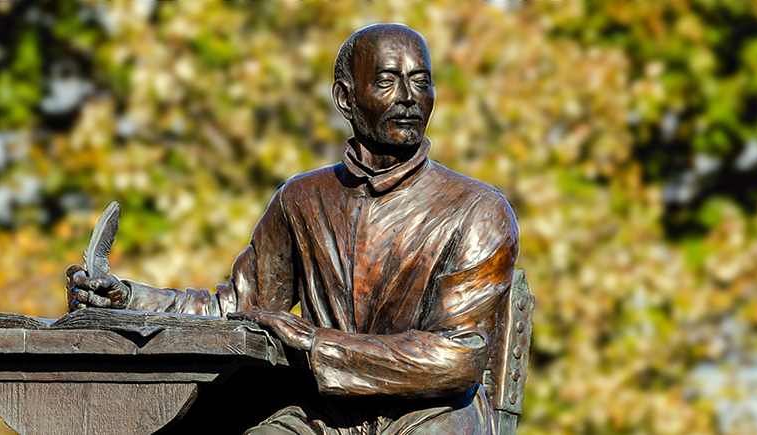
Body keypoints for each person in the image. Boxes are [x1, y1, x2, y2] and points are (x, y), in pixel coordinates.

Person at [67, 23, 518, 435]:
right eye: (387, 81)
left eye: (421, 80)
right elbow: (236, 307)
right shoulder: (302, 199)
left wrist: (318, 341)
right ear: (345, 97)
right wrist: (128, 299)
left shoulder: (477, 208)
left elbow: (458, 357)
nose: (408, 96)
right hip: (330, 415)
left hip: (437, 416)